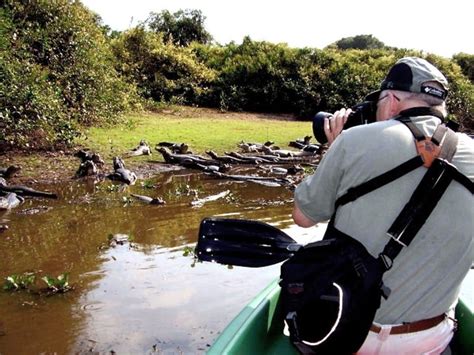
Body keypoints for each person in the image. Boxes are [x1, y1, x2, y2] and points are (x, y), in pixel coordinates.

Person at [292, 57, 474, 354]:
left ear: (390, 101)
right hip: (429, 338)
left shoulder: (352, 141)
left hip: (352, 334)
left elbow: (303, 217)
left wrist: (333, 148)